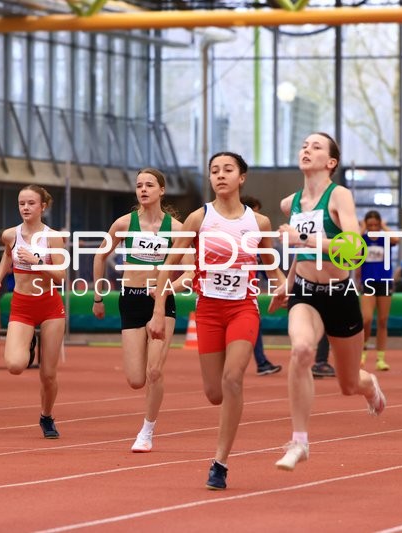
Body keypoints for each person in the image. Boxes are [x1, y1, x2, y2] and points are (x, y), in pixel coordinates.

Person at [148, 152, 285, 490]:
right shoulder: (199, 218)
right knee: (214, 393)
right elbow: (170, 263)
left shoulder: (259, 222)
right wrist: (158, 310)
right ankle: (227, 413)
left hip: (243, 309)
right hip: (208, 310)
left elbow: (270, 263)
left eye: (228, 170)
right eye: (214, 171)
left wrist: (282, 285)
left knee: (233, 378)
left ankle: (220, 462)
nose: (220, 175)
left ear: (242, 178)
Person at [269, 132, 386, 472]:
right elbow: (300, 254)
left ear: (331, 162)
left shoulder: (340, 197)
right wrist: (288, 284)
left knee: (349, 384)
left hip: (341, 295)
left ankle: (369, 385)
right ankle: (299, 441)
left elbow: (352, 248)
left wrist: (302, 237)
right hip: (306, 293)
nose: (307, 149)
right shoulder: (288, 203)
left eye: (316, 147)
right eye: (303, 144)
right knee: (302, 350)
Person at [92, 168, 186, 452]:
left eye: (149, 185)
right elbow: (100, 255)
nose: (143, 190)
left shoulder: (177, 229)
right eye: (139, 186)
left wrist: (168, 289)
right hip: (130, 299)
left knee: (154, 371)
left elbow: (191, 272)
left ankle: (147, 430)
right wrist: (98, 296)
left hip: (160, 303)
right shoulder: (123, 224)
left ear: (162, 190)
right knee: (136, 379)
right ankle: (146, 408)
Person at [0, 185, 67, 439]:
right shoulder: (10, 235)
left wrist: (38, 262)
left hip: (50, 307)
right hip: (22, 306)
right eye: (21, 203)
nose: (25, 208)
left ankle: (46, 416)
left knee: (48, 374)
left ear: (42, 206)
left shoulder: (53, 237)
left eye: (31, 203)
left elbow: (62, 275)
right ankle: (30, 342)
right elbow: (7, 256)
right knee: (15, 365)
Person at [240, 194, 282, 376]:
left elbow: (268, 266)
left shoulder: (257, 239)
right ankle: (260, 362)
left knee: (254, 324)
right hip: (228, 292)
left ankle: (262, 362)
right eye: (255, 212)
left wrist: (279, 286)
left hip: (248, 292)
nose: (258, 217)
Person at [359, 210, 400, 372]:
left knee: (383, 320)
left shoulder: (385, 238)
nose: (373, 228)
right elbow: (352, 246)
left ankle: (380, 359)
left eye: (376, 224)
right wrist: (362, 228)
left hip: (384, 281)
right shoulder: (362, 239)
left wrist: (384, 227)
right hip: (368, 282)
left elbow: (396, 239)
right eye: (370, 225)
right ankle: (362, 353)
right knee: (367, 319)